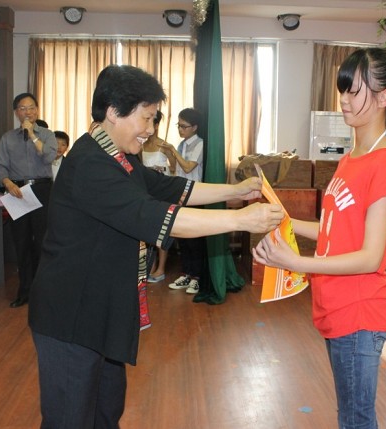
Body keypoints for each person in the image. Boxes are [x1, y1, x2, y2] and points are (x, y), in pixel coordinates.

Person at [27, 64, 283, 428]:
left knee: (105, 412)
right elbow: (158, 216)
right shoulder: (90, 164)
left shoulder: (119, 156)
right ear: (113, 112)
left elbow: (171, 188)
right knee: (70, 419)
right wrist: (241, 220)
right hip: (71, 315)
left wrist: (236, 191)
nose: (150, 130)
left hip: (100, 310)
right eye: (146, 118)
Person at [253, 48, 386, 429]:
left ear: (384, 97)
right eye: (342, 89)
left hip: (359, 312)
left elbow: (371, 257)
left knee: (356, 420)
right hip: (336, 307)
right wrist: (284, 220)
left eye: (354, 91)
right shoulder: (351, 158)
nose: (343, 99)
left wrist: (296, 262)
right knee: (352, 416)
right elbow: (331, 229)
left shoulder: (384, 163)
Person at [0, 93, 57, 308]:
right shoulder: (7, 138)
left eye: (31, 107)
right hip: (17, 191)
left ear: (37, 110)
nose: (27, 112)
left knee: (42, 242)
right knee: (21, 243)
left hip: (42, 189)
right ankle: (24, 291)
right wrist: (7, 183)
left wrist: (32, 134)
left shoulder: (47, 134)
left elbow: (49, 157)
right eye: (22, 108)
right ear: (16, 112)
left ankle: (43, 292)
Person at [158, 108, 204, 294]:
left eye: (184, 126)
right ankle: (186, 274)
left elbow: (188, 167)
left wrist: (172, 150)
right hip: (180, 194)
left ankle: (197, 278)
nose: (180, 129)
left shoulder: (199, 144)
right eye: (179, 125)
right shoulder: (181, 145)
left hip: (195, 195)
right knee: (182, 239)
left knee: (194, 240)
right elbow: (176, 168)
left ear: (195, 127)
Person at [140, 110, 175, 283]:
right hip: (146, 192)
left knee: (162, 230)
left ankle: (161, 268)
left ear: (156, 125)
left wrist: (163, 170)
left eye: (151, 122)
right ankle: (151, 266)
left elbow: (174, 169)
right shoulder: (141, 145)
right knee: (149, 231)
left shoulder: (165, 145)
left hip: (163, 191)